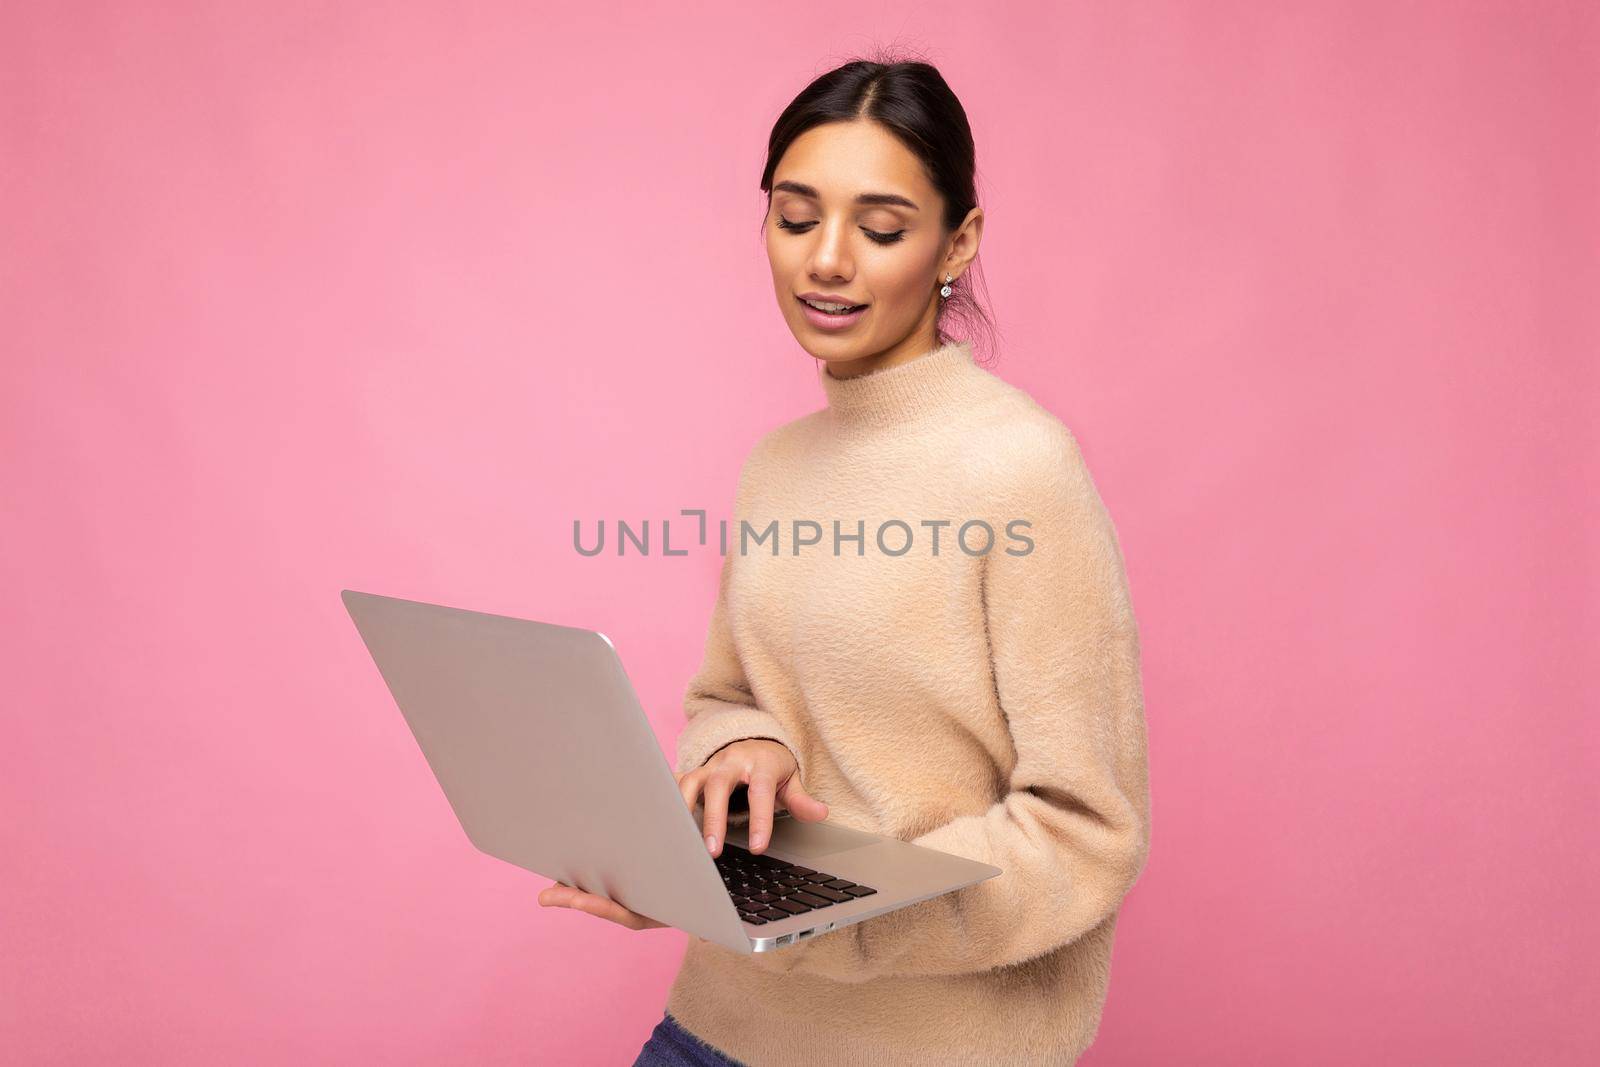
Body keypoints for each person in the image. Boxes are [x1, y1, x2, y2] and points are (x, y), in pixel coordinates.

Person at [538, 53, 1151, 1067]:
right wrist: (746, 749)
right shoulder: (778, 464)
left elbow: (1086, 829)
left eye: (879, 228)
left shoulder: (1019, 467)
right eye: (794, 216)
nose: (825, 260)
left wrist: (815, 916)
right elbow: (728, 693)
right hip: (715, 1024)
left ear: (957, 242)